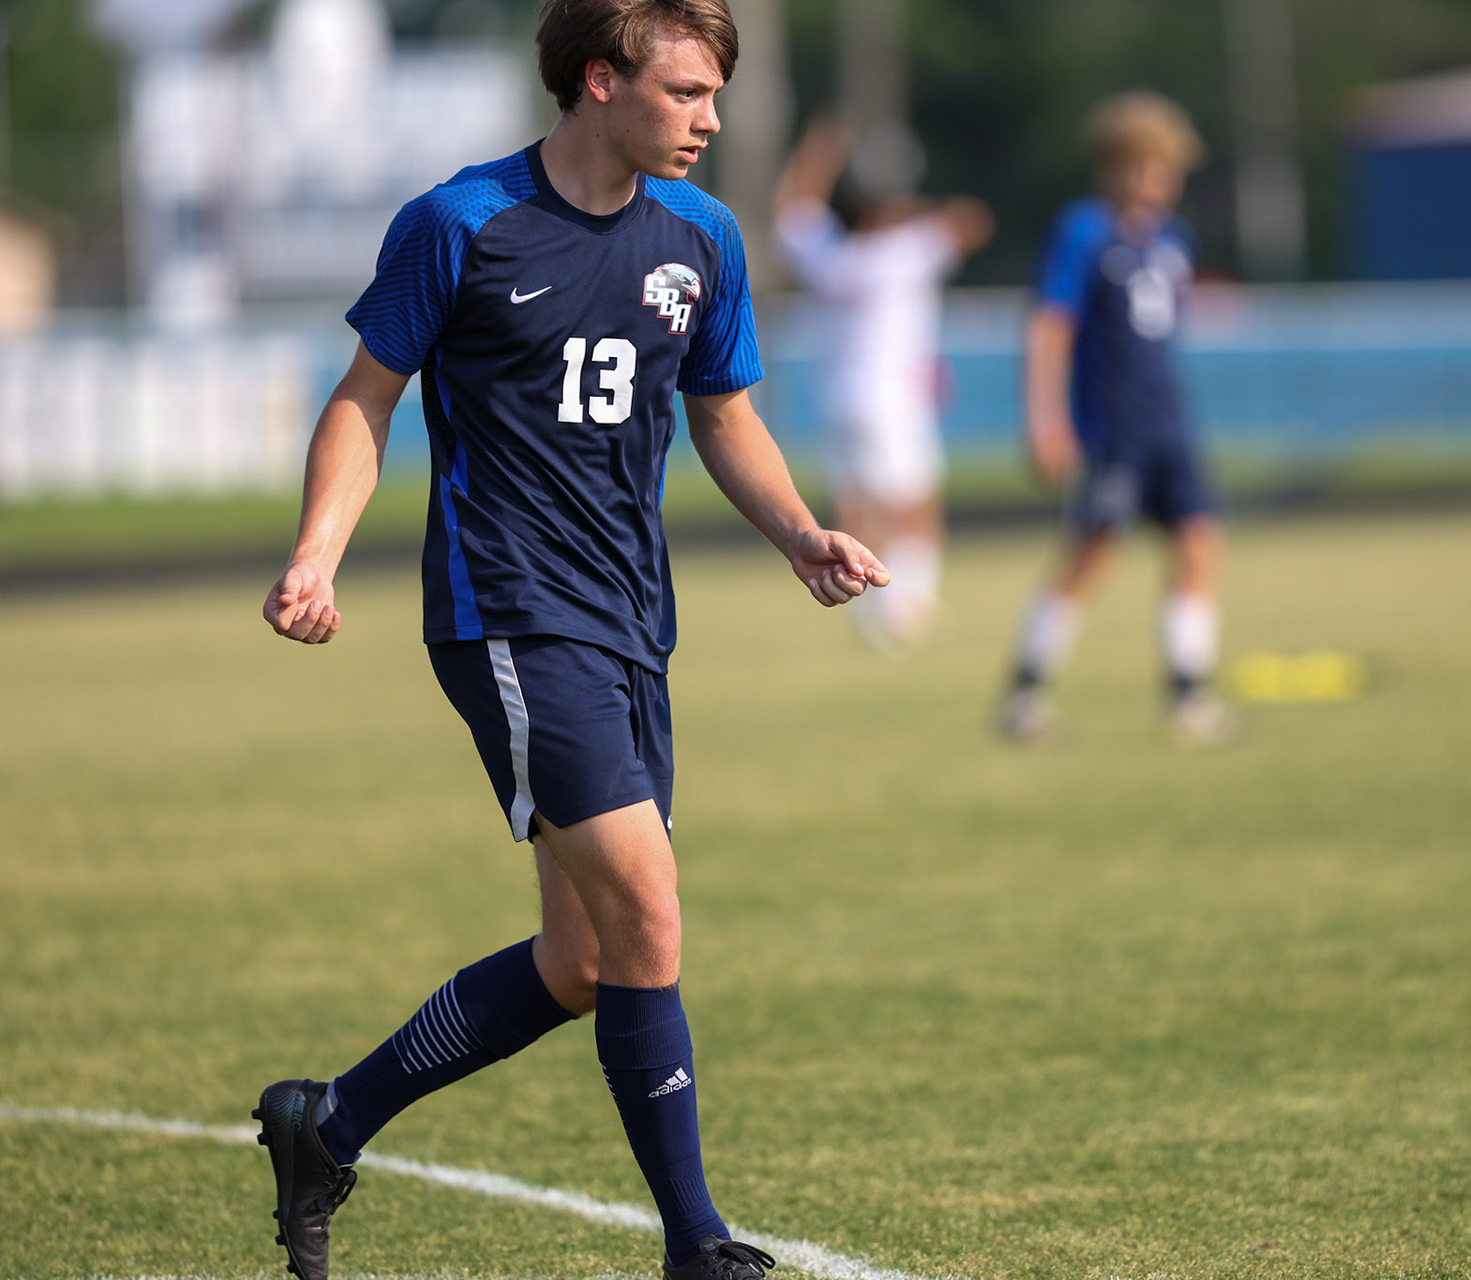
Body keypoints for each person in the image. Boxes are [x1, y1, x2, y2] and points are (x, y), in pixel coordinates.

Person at [252, 3, 886, 1278]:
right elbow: (364, 401)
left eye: (717, 94)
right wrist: (316, 554)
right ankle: (698, 1243)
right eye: (688, 92)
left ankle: (330, 1120)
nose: (710, 120)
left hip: (631, 622)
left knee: (585, 960)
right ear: (600, 81)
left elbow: (725, 416)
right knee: (650, 913)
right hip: (510, 613)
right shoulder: (460, 222)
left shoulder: (703, 237)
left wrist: (802, 532)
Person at [997, 91, 1230, 744]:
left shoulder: (1173, 240)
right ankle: (1026, 689)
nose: (1160, 179)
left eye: (1169, 166)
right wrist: (1045, 420)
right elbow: (1050, 328)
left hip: (1169, 423)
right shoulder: (1083, 232)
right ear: (1115, 166)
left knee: (1198, 542)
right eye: (1146, 164)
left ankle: (1189, 691)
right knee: (1093, 552)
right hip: (1111, 428)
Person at [771, 115, 992, 648]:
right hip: (895, 399)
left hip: (840, 396)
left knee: (856, 503)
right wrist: (918, 208)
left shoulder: (830, 257)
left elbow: (792, 212)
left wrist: (819, 152)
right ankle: (909, 603)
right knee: (913, 499)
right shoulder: (906, 252)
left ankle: (866, 611)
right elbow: (973, 220)